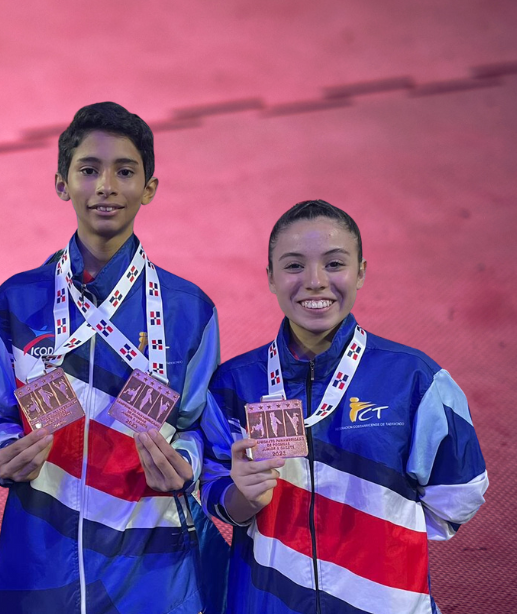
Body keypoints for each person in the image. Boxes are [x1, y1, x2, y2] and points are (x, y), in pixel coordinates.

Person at [0, 102, 227, 613]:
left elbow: (200, 427)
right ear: (61, 182)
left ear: (150, 187)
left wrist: (187, 462)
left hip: (153, 563)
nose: (106, 185)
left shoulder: (189, 310)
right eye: (89, 170)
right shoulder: (17, 302)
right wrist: (2, 449)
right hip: (39, 555)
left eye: (125, 171)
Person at [200, 200, 488, 613]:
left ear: (362, 272)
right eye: (294, 266)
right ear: (270, 278)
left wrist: (386, 536)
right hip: (267, 601)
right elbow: (213, 489)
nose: (315, 281)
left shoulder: (416, 379)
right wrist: (242, 498)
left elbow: (460, 491)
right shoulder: (234, 384)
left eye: (334, 264)